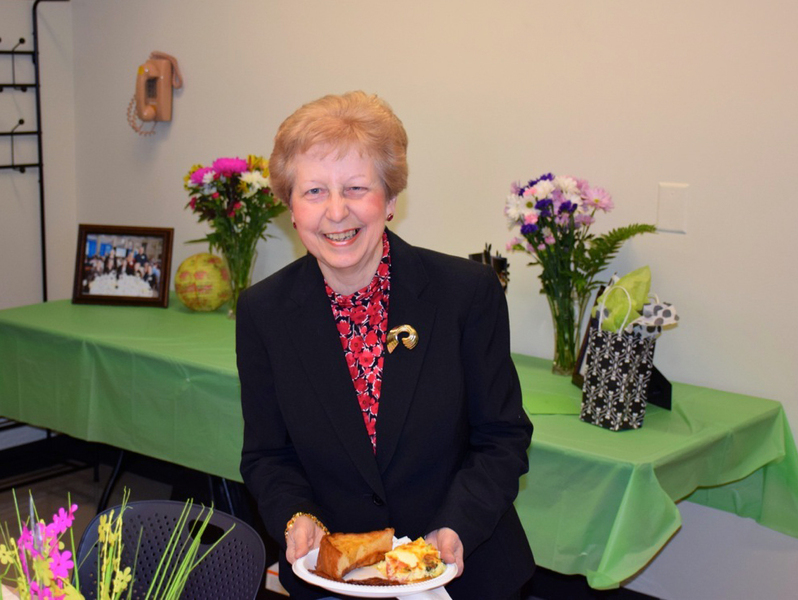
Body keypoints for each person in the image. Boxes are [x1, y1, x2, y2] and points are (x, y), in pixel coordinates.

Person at [237, 91, 534, 599]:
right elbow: (268, 455)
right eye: (313, 192)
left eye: (357, 187)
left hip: (463, 573)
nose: (336, 211)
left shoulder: (466, 294)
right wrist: (296, 517)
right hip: (334, 579)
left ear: (391, 200)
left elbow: (501, 439)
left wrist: (455, 527)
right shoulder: (264, 311)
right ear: (291, 208)